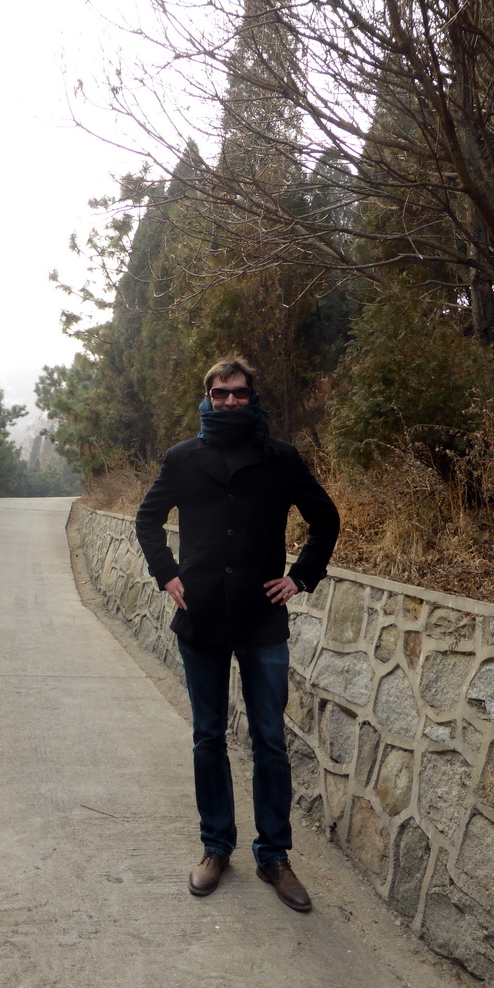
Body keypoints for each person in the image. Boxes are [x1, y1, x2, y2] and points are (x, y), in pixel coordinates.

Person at [135, 356, 340, 912]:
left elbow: (326, 520)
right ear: (207, 396)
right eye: (220, 393)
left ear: (252, 396)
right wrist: (167, 575)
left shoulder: (280, 458)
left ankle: (274, 855)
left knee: (270, 739)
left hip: (261, 618)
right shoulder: (183, 458)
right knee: (208, 737)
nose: (229, 401)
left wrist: (300, 578)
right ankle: (215, 847)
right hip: (201, 616)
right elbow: (147, 520)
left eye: (239, 393)